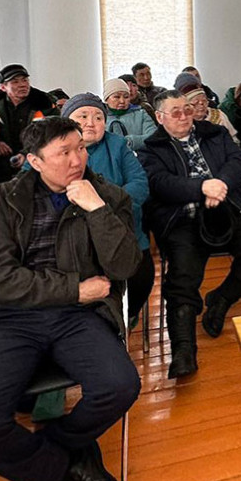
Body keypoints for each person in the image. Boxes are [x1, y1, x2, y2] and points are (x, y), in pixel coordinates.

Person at [0, 116, 141, 481]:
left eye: (80, 148)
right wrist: (74, 288)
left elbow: (125, 265)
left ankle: (54, 455)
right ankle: (66, 469)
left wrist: (97, 211)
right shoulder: (2, 200)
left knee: (120, 385)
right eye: (64, 153)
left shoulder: (106, 195)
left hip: (79, 318)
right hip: (13, 318)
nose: (77, 159)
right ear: (34, 161)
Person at [137, 91, 241, 379]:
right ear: (160, 118)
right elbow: (160, 184)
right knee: (183, 276)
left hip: (225, 209)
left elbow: (237, 160)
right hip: (181, 218)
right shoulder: (151, 149)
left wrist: (219, 184)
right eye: (176, 112)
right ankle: (184, 349)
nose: (185, 116)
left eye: (187, 109)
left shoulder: (216, 133)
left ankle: (221, 299)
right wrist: (201, 189)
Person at [62, 92, 154, 323]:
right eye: (82, 116)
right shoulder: (52, 148)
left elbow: (139, 183)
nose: (90, 123)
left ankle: (125, 317)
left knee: (142, 276)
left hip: (123, 227)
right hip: (72, 235)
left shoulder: (117, 145)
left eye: (98, 118)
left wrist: (104, 208)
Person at [0, 63, 58, 168]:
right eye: (15, 82)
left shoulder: (44, 102)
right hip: (0, 161)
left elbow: (51, 132)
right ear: (3, 87)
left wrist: (26, 153)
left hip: (36, 158)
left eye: (25, 80)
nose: (22, 85)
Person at [103, 76, 159, 151]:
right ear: (106, 99)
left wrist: (131, 142)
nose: (122, 101)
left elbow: (154, 137)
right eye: (117, 97)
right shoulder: (100, 117)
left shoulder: (141, 114)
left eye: (126, 97)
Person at [180, 77, 239, 142]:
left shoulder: (219, 115)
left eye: (204, 101)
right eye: (196, 102)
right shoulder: (183, 121)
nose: (201, 105)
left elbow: (233, 137)